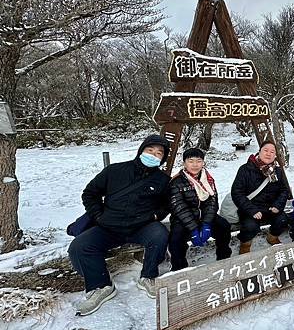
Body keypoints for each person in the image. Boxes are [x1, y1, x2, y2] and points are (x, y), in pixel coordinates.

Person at [68, 134, 171, 316]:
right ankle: (101, 286)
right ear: (141, 151)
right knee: (79, 246)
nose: (154, 155)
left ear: (162, 158)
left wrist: (156, 215)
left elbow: (166, 204)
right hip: (108, 226)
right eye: (150, 150)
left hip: (141, 226)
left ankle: (148, 276)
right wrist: (98, 215)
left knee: (160, 234)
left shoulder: (162, 180)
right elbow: (90, 193)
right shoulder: (115, 170)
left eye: (159, 153)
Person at [168, 148, 232, 269]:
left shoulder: (208, 179)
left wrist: (206, 224)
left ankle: (224, 258)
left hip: (204, 216)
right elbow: (179, 208)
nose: (195, 165)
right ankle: (179, 268)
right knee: (176, 239)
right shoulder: (176, 182)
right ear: (184, 163)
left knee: (224, 226)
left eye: (198, 161)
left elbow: (212, 202)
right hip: (183, 219)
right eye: (191, 161)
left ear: (203, 163)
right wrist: (193, 229)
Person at [230, 140, 289, 254]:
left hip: (270, 208)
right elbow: (237, 192)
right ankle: (245, 243)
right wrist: (251, 210)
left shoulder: (277, 171)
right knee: (250, 226)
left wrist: (277, 205)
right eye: (265, 150)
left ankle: (272, 237)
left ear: (275, 155)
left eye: (272, 152)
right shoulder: (246, 169)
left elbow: (284, 190)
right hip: (250, 208)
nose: (268, 154)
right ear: (259, 152)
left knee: (283, 219)